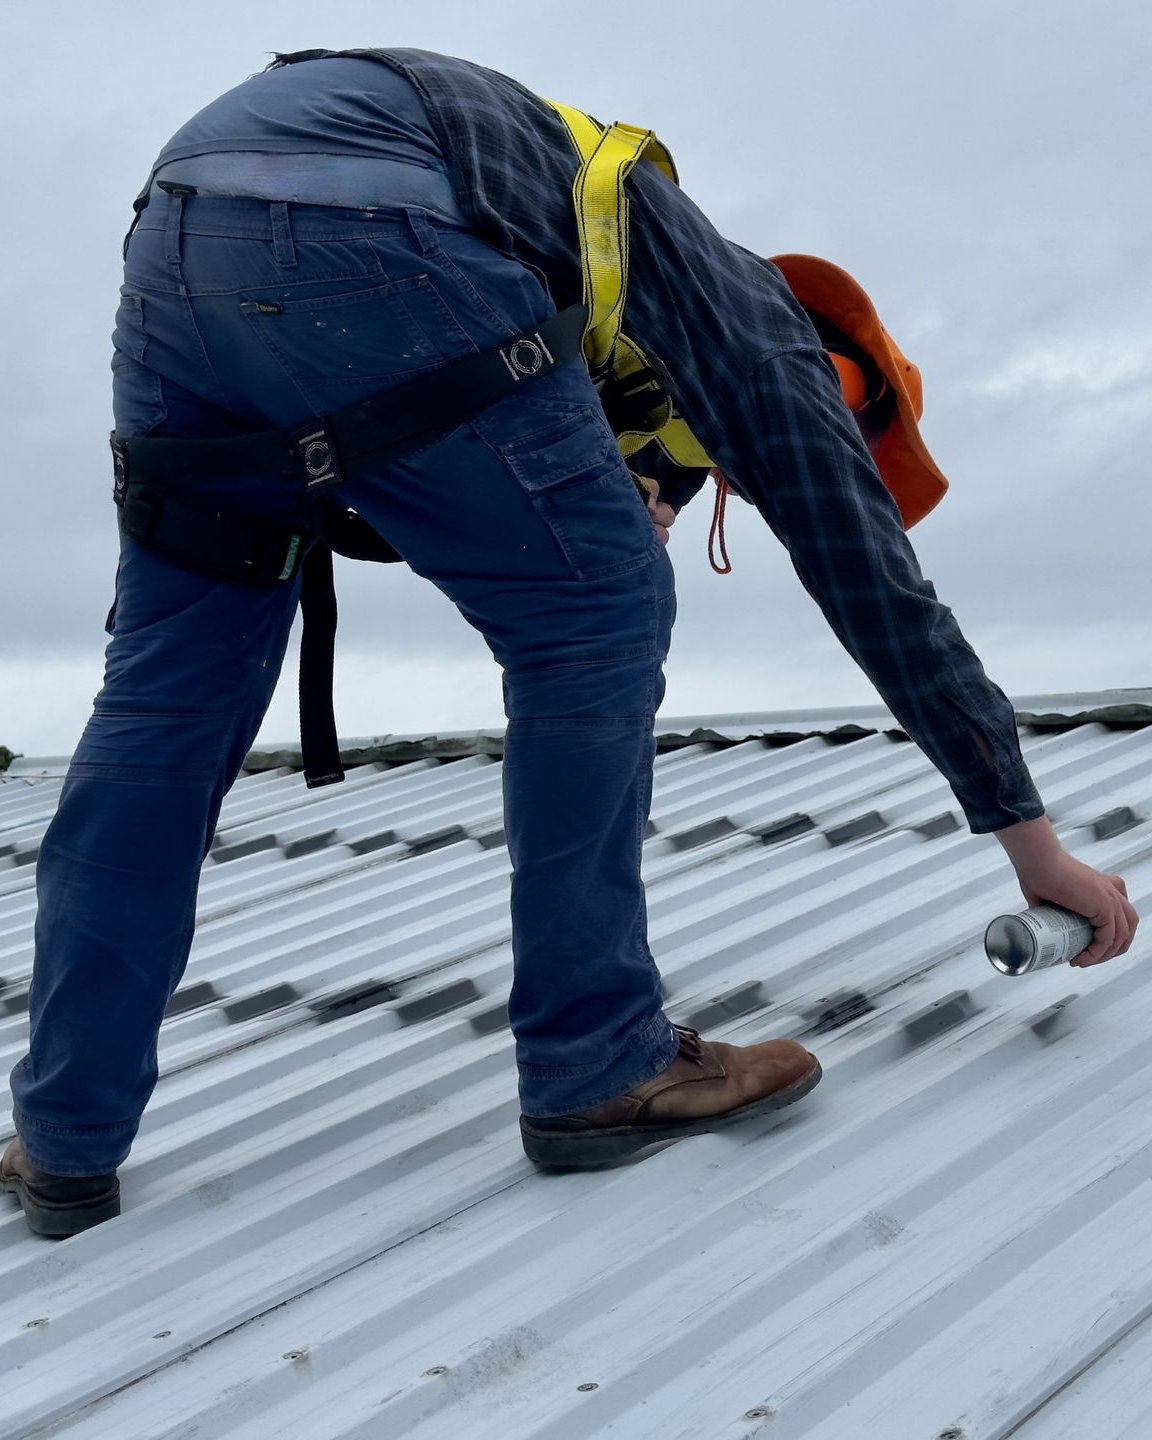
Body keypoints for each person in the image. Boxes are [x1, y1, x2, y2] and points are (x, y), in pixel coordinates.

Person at [2, 49, 1137, 1237]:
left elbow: (388, 468)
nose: (712, 482)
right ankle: (601, 1061)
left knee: (160, 706)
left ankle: (66, 1136)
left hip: (182, 234)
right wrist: (1035, 848)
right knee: (603, 616)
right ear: (845, 393)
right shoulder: (775, 337)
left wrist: (611, 486)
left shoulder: (597, 313)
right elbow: (878, 588)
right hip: (376, 218)